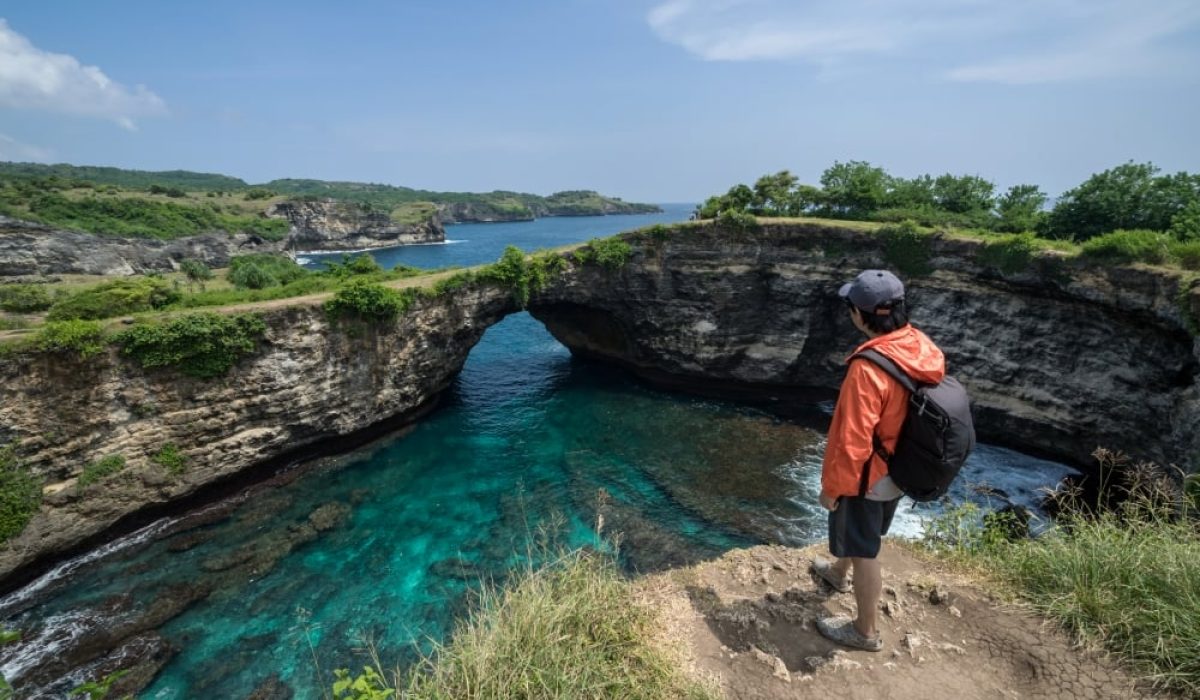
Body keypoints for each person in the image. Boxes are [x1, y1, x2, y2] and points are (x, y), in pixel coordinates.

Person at [811, 269, 946, 651]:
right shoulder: (920, 346)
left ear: (859, 313)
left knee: (866, 548)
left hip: (870, 474)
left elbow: (852, 439)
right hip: (904, 464)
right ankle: (838, 573)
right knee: (865, 534)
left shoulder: (868, 368)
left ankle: (864, 631)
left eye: (851, 306)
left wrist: (832, 489)